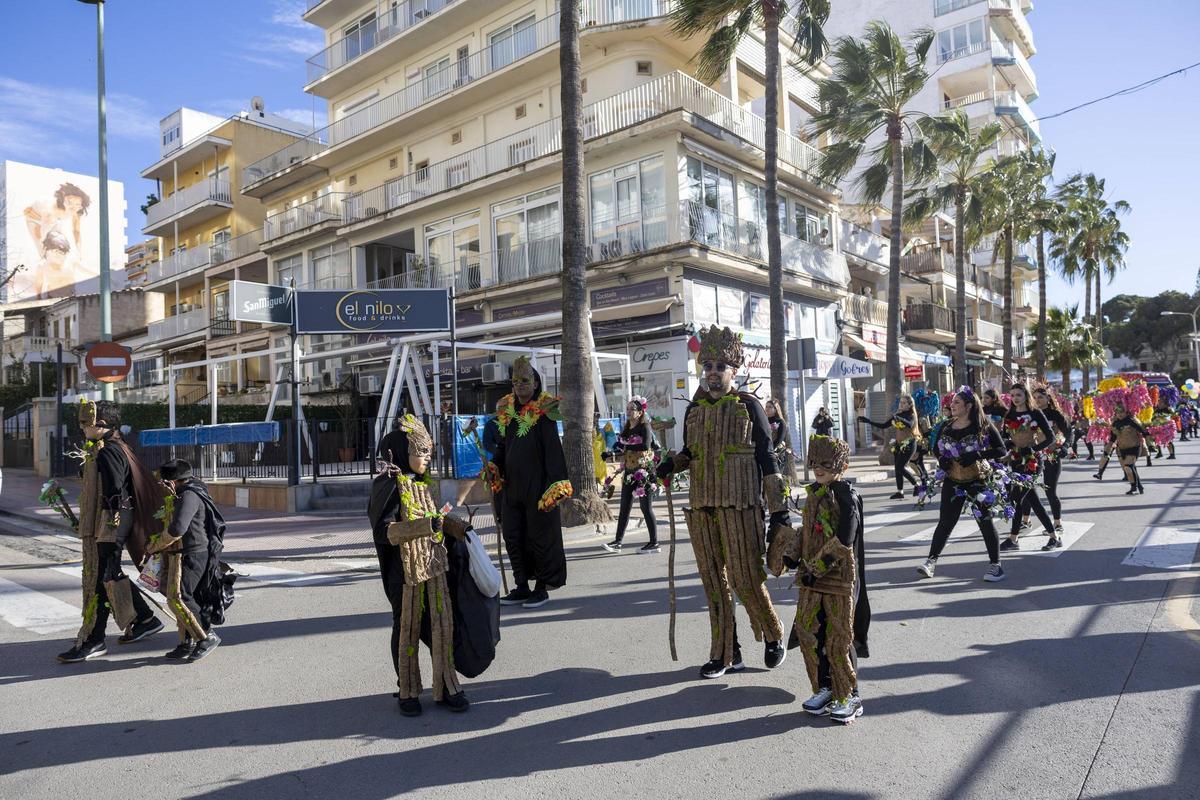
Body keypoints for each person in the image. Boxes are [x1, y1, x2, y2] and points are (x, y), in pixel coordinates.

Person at [657, 325, 789, 679]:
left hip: (741, 506)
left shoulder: (750, 407)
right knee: (713, 583)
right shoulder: (694, 410)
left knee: (745, 579)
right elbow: (690, 452)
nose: (713, 372)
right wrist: (672, 464)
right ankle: (726, 652)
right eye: (708, 366)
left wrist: (779, 512)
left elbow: (768, 458)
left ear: (734, 370)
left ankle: (773, 634)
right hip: (702, 507)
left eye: (720, 366)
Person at [372, 415, 471, 716]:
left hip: (434, 565)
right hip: (404, 573)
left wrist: (459, 528)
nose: (428, 457)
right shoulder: (387, 485)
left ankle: (447, 686)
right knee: (407, 628)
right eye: (421, 451)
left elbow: (435, 519)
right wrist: (425, 527)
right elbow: (384, 532)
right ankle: (408, 690)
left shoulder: (422, 483)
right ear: (403, 452)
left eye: (429, 452)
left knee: (442, 624)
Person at [57, 400, 165, 663]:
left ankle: (95, 640)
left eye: (86, 423)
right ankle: (144, 619)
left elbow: (115, 489)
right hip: (114, 518)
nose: (82, 428)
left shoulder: (109, 451)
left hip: (112, 520)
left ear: (101, 423)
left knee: (101, 579)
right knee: (110, 574)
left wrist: (102, 521)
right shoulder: (114, 445)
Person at [776, 435, 871, 724]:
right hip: (811, 581)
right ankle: (825, 689)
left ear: (841, 465)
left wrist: (815, 567)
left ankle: (850, 695)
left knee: (838, 638)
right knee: (808, 633)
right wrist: (791, 554)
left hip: (839, 581)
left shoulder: (846, 496)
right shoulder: (815, 493)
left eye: (825, 463)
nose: (818, 468)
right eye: (814, 462)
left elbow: (844, 540)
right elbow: (806, 531)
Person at [487, 357, 571, 609]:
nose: (520, 385)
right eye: (515, 381)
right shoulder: (509, 414)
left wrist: (553, 486)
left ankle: (541, 588)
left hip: (537, 488)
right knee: (513, 536)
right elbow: (504, 446)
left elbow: (553, 451)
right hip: (512, 488)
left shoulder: (544, 413)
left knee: (539, 537)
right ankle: (521, 586)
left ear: (535, 384)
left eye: (525, 380)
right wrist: (494, 466)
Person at [916, 387, 1008, 582]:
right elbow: (936, 448)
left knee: (984, 521)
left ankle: (996, 565)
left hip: (977, 480)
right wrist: (942, 459)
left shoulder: (983, 425)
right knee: (945, 522)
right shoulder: (946, 425)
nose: (952, 405)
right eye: (952, 402)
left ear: (968, 406)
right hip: (953, 479)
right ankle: (931, 562)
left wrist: (977, 454)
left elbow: (1001, 449)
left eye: (957, 402)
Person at [145, 459, 226, 662]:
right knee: (185, 596)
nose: (162, 486)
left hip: (193, 554)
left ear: (172, 482)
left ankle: (206, 636)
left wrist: (155, 546)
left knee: (180, 598)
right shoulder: (186, 492)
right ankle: (186, 642)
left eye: (164, 482)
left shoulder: (188, 496)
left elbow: (177, 529)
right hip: (185, 553)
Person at [1000, 382, 1059, 551]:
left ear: (1026, 395)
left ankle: (1013, 538)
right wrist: (1008, 445)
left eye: (1018, 395)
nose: (1015, 398)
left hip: (1032, 462)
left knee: (1016, 498)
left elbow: (1051, 438)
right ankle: (1054, 537)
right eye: (1012, 395)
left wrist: (1033, 449)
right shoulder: (1009, 414)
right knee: (1033, 501)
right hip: (1016, 461)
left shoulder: (1035, 413)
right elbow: (1006, 437)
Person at [602, 396, 659, 554]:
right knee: (624, 508)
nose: (628, 412)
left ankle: (654, 543)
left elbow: (645, 445)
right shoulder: (627, 428)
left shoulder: (645, 426)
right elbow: (621, 447)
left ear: (640, 412)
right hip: (629, 471)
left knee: (645, 508)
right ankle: (618, 542)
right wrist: (610, 454)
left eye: (631, 409)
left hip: (644, 472)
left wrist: (627, 446)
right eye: (627, 409)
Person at [858, 395, 924, 500]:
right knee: (897, 468)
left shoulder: (911, 415)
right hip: (898, 444)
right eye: (900, 402)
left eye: (904, 403)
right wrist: (868, 421)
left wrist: (899, 418)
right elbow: (884, 425)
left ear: (909, 405)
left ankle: (917, 485)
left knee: (900, 467)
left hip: (909, 445)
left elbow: (910, 424)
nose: (901, 404)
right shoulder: (897, 415)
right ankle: (900, 492)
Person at [1026, 387, 1071, 535]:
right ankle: (1025, 520)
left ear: (1048, 399)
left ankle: (1057, 523)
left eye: (1040, 397)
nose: (1037, 400)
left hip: (1051, 455)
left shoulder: (1055, 414)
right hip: (1033, 456)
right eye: (1035, 397)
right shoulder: (1030, 414)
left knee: (1050, 491)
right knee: (1026, 488)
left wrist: (1065, 446)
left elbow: (1069, 432)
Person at [1110, 402, 1147, 495]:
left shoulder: (1131, 421)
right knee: (1131, 468)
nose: (1120, 414)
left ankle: (1134, 487)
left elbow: (1142, 430)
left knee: (1128, 467)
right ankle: (1139, 486)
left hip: (1134, 447)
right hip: (1123, 448)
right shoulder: (1115, 423)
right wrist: (1109, 447)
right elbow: (1113, 438)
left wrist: (1150, 437)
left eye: (1122, 412)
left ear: (1126, 412)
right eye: (1118, 412)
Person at [765, 398, 794, 476]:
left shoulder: (780, 422)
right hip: (765, 452)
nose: (767, 408)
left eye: (770, 407)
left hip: (777, 453)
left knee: (777, 476)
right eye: (766, 406)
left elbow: (779, 439)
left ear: (775, 409)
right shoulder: (764, 421)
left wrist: (770, 450)